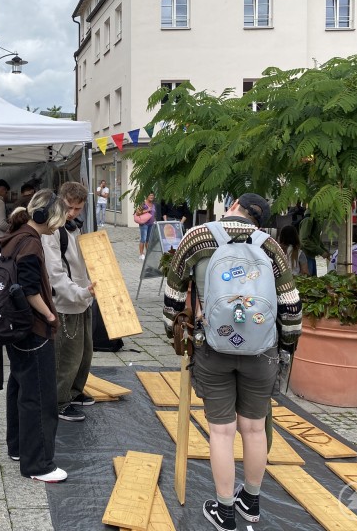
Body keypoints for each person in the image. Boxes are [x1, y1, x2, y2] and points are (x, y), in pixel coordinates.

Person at [163, 193, 302, 531]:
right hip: (261, 350)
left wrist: (176, 336)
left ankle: (224, 512)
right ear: (259, 218)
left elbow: (172, 296)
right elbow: (291, 307)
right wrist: (285, 348)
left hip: (213, 347)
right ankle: (251, 502)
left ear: (235, 204)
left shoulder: (197, 237)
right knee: (254, 428)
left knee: (221, 432)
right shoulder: (270, 245)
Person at [0, 189, 68, 483]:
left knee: (20, 386)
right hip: (33, 329)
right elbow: (29, 290)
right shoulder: (30, 243)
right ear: (44, 215)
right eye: (58, 219)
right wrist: (50, 315)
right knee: (39, 396)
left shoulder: (16, 236)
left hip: (17, 328)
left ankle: (18, 448)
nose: (59, 226)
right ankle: (38, 465)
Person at [41, 183, 95, 423]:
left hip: (83, 298)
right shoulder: (52, 231)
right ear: (60, 200)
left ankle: (74, 391)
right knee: (66, 356)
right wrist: (80, 293)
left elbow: (83, 263)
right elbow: (55, 274)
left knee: (84, 353)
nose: (72, 212)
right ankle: (59, 401)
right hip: (64, 302)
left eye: (78, 208)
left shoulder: (76, 227)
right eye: (68, 207)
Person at [135, 192, 157, 260]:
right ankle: (141, 254)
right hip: (144, 224)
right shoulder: (143, 204)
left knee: (148, 239)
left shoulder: (153, 204)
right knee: (143, 239)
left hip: (151, 224)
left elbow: (153, 214)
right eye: (150, 195)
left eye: (152, 195)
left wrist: (155, 221)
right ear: (147, 196)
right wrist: (147, 210)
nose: (151, 197)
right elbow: (137, 213)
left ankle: (148, 254)